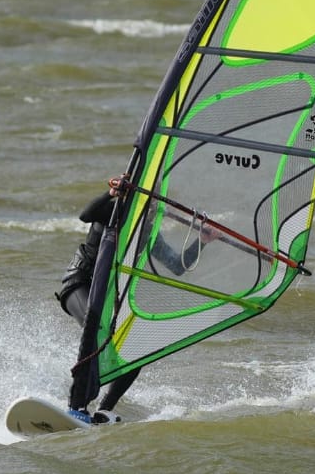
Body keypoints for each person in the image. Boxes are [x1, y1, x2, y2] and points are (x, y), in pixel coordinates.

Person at [56, 175, 215, 423]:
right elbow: (85, 215)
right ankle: (77, 406)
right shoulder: (113, 210)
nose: (150, 206)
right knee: (96, 324)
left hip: (106, 298)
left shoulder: (147, 232)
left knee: (137, 348)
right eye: (146, 198)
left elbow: (176, 266)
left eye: (154, 202)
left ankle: (104, 410)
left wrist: (202, 242)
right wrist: (111, 195)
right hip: (78, 283)